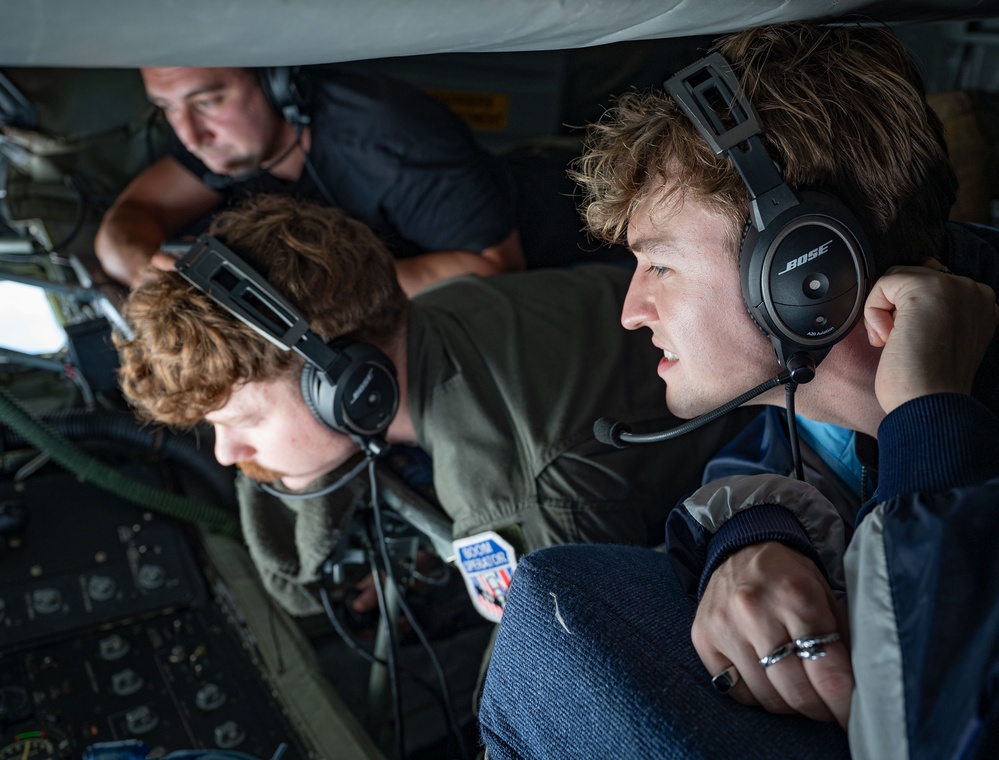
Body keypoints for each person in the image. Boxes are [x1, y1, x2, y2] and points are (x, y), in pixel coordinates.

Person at [477, 23, 999, 760]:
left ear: (802, 271)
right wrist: (752, 534)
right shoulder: (814, 404)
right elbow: (765, 461)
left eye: (657, 266)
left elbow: (942, 724)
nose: (630, 311)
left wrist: (934, 423)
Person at [113, 192, 753, 620]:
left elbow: (558, 679)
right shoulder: (438, 310)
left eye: (243, 421)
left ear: (349, 387)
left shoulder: (518, 494)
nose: (228, 453)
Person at [94, 65, 524, 295]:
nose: (189, 136)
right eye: (167, 108)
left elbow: (493, 269)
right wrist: (149, 272)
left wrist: (294, 288)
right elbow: (129, 220)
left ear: (276, 82)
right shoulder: (230, 143)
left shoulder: (390, 140)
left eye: (207, 101)